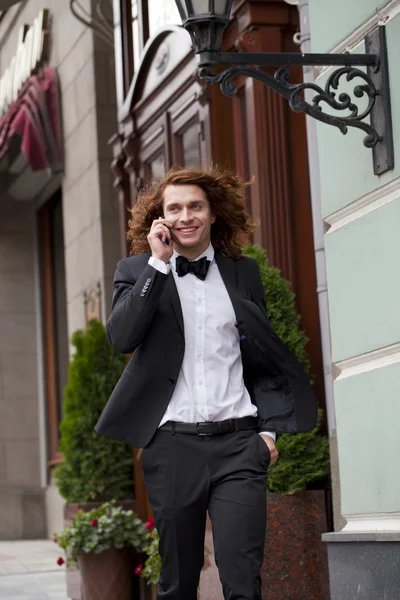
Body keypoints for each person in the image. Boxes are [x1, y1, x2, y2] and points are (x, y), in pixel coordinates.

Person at [96, 166, 317, 600]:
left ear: (213, 213)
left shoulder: (243, 273)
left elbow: (262, 358)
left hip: (239, 445)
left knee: (243, 579)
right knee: (178, 582)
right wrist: (158, 266)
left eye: (195, 206)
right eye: (173, 208)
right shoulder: (137, 270)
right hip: (173, 446)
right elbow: (121, 336)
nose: (185, 216)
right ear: (159, 218)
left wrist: (267, 433)